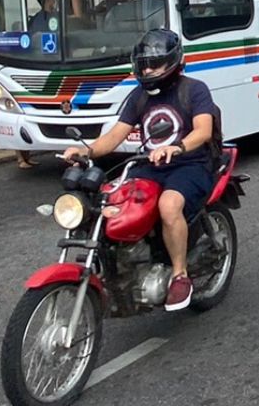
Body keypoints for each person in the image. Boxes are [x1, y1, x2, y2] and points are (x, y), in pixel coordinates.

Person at [62, 29, 218, 312]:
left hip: (190, 164)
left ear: (172, 62)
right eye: (143, 64)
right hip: (151, 166)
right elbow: (115, 135)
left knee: (169, 205)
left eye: (154, 64)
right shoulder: (139, 96)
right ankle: (121, 266)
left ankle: (180, 275)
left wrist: (177, 147)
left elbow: (203, 131)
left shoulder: (194, 89)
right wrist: (86, 152)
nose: (147, 69)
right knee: (109, 201)